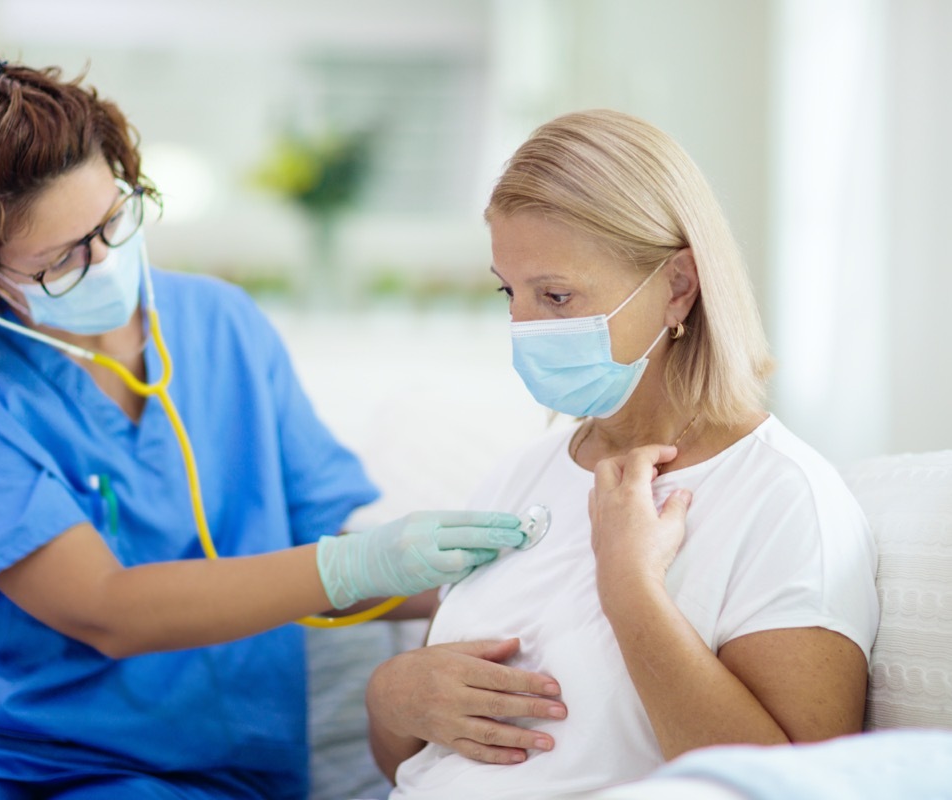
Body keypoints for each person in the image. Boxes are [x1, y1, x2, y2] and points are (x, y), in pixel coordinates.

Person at [0, 60, 525, 800]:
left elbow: (334, 552)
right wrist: (357, 563)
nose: (105, 260)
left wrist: (478, 568)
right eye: (61, 259)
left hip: (199, 765)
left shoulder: (222, 325)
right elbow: (104, 609)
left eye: (112, 220)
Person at [364, 109, 879, 799]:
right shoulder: (519, 476)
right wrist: (392, 700)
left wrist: (630, 587)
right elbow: (417, 765)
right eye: (507, 291)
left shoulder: (784, 498)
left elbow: (797, 787)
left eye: (555, 295)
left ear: (678, 287)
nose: (522, 325)